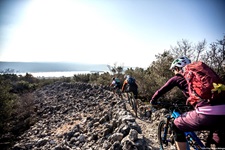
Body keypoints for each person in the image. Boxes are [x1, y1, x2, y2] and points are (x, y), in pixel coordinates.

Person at [150, 56, 225, 149]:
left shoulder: (177, 77)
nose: (174, 73)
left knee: (176, 124)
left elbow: (161, 90)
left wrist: (153, 100)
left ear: (177, 68)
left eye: (173, 70)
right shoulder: (202, 75)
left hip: (206, 114)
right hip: (223, 111)